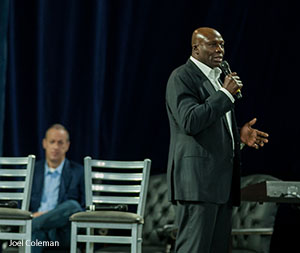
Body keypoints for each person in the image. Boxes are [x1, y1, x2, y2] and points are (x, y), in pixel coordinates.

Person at [165, 27, 269, 253]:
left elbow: (212, 128)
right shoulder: (182, 77)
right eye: (212, 44)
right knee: (193, 249)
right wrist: (224, 94)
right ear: (196, 48)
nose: (219, 49)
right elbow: (190, 121)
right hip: (197, 184)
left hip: (221, 185)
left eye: (221, 44)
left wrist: (239, 137)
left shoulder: (219, 79)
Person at [30, 124, 85, 252]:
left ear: (67, 145)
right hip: (40, 235)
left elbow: (83, 208)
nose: (56, 146)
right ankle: (38, 226)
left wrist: (37, 218)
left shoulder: (78, 172)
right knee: (37, 236)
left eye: (60, 143)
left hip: (62, 232)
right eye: (52, 142)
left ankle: (33, 225)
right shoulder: (32, 171)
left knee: (72, 205)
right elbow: (21, 204)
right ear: (44, 143)